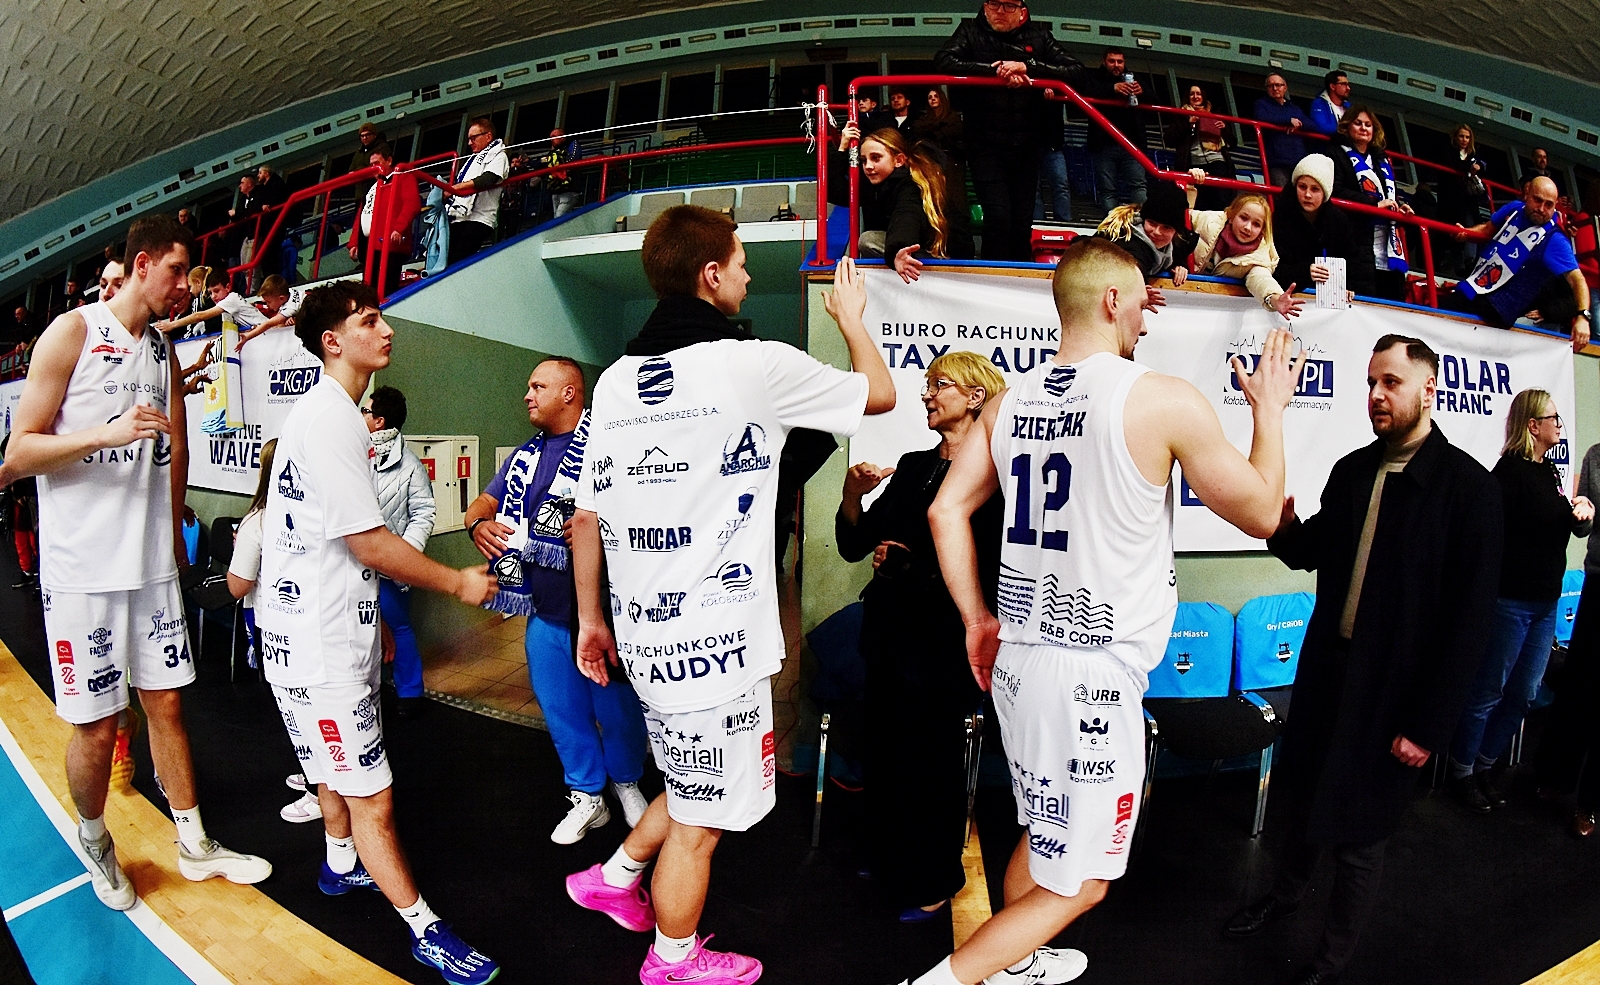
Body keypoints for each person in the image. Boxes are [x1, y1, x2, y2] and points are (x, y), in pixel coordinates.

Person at [912, 236, 1305, 985]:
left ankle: (1016, 964)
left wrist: (976, 618)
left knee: (1046, 831)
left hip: (1020, 663)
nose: (1147, 321)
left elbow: (945, 510)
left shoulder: (1007, 402)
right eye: (1142, 305)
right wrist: (1271, 410)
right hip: (1091, 677)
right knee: (1085, 880)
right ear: (1112, 300)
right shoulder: (1160, 398)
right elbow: (1261, 512)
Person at [562, 206, 894, 983]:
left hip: (647, 637)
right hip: (715, 649)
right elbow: (878, 394)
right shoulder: (754, 365)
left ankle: (612, 876)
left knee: (689, 778)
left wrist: (590, 619)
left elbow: (586, 517)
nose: (747, 274)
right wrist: (850, 319)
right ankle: (673, 958)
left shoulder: (613, 381)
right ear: (710, 274)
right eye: (740, 262)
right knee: (702, 819)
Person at [2, 214, 272, 911]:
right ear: (143, 264)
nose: (186, 285)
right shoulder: (71, 333)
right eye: (177, 271)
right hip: (84, 572)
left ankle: (195, 841)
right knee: (98, 728)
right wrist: (106, 433)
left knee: (168, 705)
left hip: (149, 568)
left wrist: (173, 526)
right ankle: (95, 838)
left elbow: (173, 448)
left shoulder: (160, 348)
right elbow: (16, 455)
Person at [1227, 335, 1503, 985]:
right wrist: (1280, 525)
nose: (1377, 395)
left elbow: (1469, 624)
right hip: (1328, 676)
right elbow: (1310, 551)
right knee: (1302, 803)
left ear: (1429, 389)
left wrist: (1428, 725)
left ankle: (1330, 960)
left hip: (1395, 695)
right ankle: (1283, 898)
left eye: (1392, 383)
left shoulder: (1469, 490)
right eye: (1372, 382)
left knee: (1359, 838)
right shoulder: (1352, 471)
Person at [257, 280, 499, 984]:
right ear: (333, 340)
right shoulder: (332, 418)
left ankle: (340, 865)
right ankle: (425, 930)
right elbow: (367, 541)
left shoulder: (324, 413)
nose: (386, 329)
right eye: (369, 320)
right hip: (321, 641)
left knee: (330, 767)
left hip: (309, 633)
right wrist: (456, 582)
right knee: (373, 796)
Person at [837, 351, 1005, 923]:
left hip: (942, 644)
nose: (927, 394)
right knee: (883, 752)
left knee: (931, 764)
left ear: (976, 397)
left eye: (940, 385)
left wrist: (914, 569)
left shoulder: (999, 477)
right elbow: (855, 545)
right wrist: (852, 496)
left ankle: (934, 878)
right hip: (887, 635)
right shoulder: (913, 466)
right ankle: (886, 856)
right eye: (927, 384)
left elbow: (993, 566)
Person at [462, 358, 651, 844]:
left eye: (538, 386)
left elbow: (642, 511)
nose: (527, 395)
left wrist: (596, 528)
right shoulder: (524, 457)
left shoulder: (609, 447)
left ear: (569, 394)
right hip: (545, 613)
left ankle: (627, 782)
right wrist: (477, 524)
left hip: (605, 614)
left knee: (617, 709)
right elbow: (482, 503)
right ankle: (587, 795)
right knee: (562, 710)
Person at [1446, 390, 1593, 811]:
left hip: (1545, 604)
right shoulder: (1507, 476)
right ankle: (1462, 771)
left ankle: (1486, 764)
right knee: (1488, 691)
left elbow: (1566, 525)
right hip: (1509, 603)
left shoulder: (1549, 472)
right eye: (1553, 419)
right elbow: (1488, 541)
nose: (1559, 426)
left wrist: (1582, 509)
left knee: (1525, 693)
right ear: (1533, 426)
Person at [933, 1, 1093, 261]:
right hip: (984, 144)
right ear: (985, 7)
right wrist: (996, 71)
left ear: (1022, 12)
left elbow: (1078, 72)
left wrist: (1028, 66)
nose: (1000, 11)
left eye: (1008, 5)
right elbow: (943, 61)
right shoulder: (969, 31)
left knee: (1022, 222)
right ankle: (992, 278)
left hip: (1027, 144)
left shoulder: (1040, 36)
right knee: (998, 218)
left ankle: (1020, 277)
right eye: (994, 4)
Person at [359, 386, 437, 719]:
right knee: (361, 629)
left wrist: (403, 556)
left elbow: (424, 512)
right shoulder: (355, 453)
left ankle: (410, 692)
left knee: (398, 627)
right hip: (356, 563)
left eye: (366, 411)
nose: (360, 416)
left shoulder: (410, 466)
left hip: (390, 568)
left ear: (379, 421)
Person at [1536, 430, 1600, 837]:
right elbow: (1583, 529)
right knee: (1578, 685)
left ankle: (1589, 804)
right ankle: (1554, 777)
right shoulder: (1596, 456)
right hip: (1599, 580)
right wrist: (1584, 511)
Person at [1445, 177, 1591, 350]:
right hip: (1474, 289)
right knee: (1439, 312)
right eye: (1537, 200)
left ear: (1555, 206)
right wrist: (1465, 233)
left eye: (1548, 205)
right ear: (1527, 194)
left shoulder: (1555, 240)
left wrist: (1583, 317)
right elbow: (1487, 229)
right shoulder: (1514, 208)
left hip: (1498, 311)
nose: (1542, 209)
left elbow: (1577, 280)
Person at [831, 126, 968, 280]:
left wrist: (898, 250)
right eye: (863, 160)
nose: (868, 166)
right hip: (914, 247)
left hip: (947, 255)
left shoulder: (911, 184)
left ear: (899, 160)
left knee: (868, 240)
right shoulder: (874, 184)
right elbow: (837, 193)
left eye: (876, 158)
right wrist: (842, 149)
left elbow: (907, 217)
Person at [1328, 106, 1412, 301]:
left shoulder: (1381, 158)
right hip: (1355, 239)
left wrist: (1399, 206)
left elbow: (1389, 194)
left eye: (1368, 125)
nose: (1363, 128)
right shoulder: (1335, 153)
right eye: (1358, 123)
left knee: (1391, 303)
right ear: (1347, 126)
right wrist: (1374, 204)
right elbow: (1335, 190)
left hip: (1387, 245)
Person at [1182, 181, 1303, 318]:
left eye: (1256, 224)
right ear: (1231, 216)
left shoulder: (1259, 256)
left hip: (1208, 308)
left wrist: (1275, 299)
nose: (1247, 227)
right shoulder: (1209, 221)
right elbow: (1179, 217)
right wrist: (1189, 186)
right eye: (1243, 218)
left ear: (1262, 231)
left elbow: (1261, 279)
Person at [1271, 154, 1374, 300]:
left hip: (1330, 302)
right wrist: (1305, 272)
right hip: (1287, 299)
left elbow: (1353, 264)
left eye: (1315, 189)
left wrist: (1348, 287)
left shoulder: (1339, 221)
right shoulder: (1279, 219)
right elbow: (1273, 270)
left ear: (1326, 192)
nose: (1307, 195)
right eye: (1302, 187)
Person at [1092, 179, 1192, 302]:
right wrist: (1137, 294)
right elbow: (1133, 266)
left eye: (1166, 227)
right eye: (1152, 223)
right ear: (1143, 219)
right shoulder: (1130, 240)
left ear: (1176, 232)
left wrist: (1179, 264)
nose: (1157, 232)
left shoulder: (1178, 240)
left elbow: (1181, 247)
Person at [348, 144, 421, 298]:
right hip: (370, 246)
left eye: (377, 163)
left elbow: (412, 203)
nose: (374, 168)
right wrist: (354, 242)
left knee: (386, 290)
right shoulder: (372, 187)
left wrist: (399, 228)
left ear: (389, 161)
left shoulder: (403, 177)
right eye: (371, 165)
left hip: (390, 245)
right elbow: (362, 214)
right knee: (369, 291)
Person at [1082, 50, 1149, 214]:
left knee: (1138, 186)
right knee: (1107, 190)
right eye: (1112, 61)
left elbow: (1155, 99)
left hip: (1132, 144)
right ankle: (1111, 226)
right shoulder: (1094, 78)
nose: (1116, 65)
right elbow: (1085, 91)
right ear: (1104, 62)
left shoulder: (1134, 79)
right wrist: (1112, 88)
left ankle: (1143, 223)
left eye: (1120, 61)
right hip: (1103, 144)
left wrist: (1142, 92)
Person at [444, 118, 510, 265]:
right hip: (460, 217)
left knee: (457, 262)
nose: (469, 143)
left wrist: (454, 189)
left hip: (479, 219)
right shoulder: (472, 160)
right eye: (469, 139)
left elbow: (488, 179)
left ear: (488, 136)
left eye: (473, 138)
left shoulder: (499, 155)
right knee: (445, 261)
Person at [911, 88, 972, 231]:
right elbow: (918, 129)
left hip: (952, 164)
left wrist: (935, 132)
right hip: (931, 164)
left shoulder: (953, 118)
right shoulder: (923, 120)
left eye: (936, 96)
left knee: (955, 200)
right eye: (930, 97)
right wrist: (939, 129)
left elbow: (956, 132)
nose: (932, 99)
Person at [1173, 84, 1235, 212]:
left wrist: (1224, 129)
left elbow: (1233, 142)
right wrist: (1188, 124)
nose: (1195, 96)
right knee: (1198, 205)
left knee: (1222, 202)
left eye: (1199, 93)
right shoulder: (1182, 115)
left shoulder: (1213, 114)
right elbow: (1169, 139)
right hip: (1193, 165)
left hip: (1218, 162)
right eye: (1192, 94)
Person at [1254, 73, 1308, 189]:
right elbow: (1262, 118)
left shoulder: (1294, 108)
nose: (1275, 88)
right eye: (1271, 85)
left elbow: (1313, 125)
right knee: (1280, 195)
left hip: (1297, 160)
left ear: (1285, 87)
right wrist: (1288, 121)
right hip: (1276, 161)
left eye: (1278, 85)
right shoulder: (1261, 104)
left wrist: (1298, 124)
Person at [0, 433, 39, 590]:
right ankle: (28, 572)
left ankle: (37, 574)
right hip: (22, 501)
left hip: (32, 498)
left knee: (35, 538)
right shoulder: (14, 442)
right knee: (22, 538)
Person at [1035, 100, 1072, 224]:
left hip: (1053, 143)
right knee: (1033, 188)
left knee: (1061, 183)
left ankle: (1062, 222)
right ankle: (1038, 222)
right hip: (1033, 143)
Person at [541, 128, 585, 219]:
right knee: (560, 217)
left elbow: (573, 159)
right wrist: (528, 161)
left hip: (569, 189)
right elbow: (543, 163)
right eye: (550, 137)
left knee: (558, 218)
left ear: (562, 137)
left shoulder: (572, 144)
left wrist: (557, 163)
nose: (551, 139)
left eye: (554, 136)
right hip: (556, 189)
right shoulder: (553, 152)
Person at [1308, 71, 1352, 137]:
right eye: (1343, 84)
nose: (1348, 88)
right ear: (1332, 86)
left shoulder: (1350, 107)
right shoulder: (1318, 104)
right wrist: (1347, 129)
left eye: (1348, 85)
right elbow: (1321, 127)